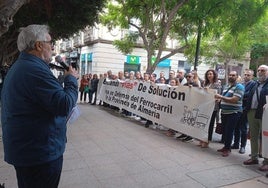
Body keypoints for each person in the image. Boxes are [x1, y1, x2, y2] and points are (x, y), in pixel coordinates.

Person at [1, 24, 79, 188]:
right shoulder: (33, 69)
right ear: (38, 45)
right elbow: (64, 104)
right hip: (39, 153)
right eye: (50, 42)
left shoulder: (25, 67)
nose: (52, 47)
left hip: (30, 150)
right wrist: (71, 79)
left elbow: (43, 96)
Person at [243, 65, 268, 171]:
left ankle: (266, 161)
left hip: (264, 113)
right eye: (259, 70)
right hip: (252, 112)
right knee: (253, 135)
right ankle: (254, 157)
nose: (260, 72)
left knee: (266, 137)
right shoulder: (255, 83)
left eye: (263, 70)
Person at [215, 71, 244, 157]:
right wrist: (219, 100)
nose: (231, 76)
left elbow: (234, 99)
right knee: (225, 130)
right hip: (224, 112)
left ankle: (227, 149)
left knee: (229, 131)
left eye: (233, 75)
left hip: (234, 112)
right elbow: (225, 98)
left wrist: (220, 97)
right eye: (230, 75)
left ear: (237, 76)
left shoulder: (239, 87)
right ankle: (226, 146)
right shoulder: (226, 86)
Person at [232, 69, 255, 154]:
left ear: (252, 76)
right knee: (236, 127)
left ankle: (243, 146)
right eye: (245, 75)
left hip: (245, 109)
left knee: (243, 128)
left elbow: (249, 94)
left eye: (248, 75)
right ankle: (236, 144)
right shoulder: (241, 84)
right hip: (237, 107)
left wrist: (239, 95)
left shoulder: (254, 84)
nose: (246, 76)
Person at [199, 69, 221, 148]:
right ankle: (202, 138)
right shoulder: (205, 84)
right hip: (205, 107)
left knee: (210, 124)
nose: (209, 75)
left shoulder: (217, 84)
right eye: (208, 74)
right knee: (204, 123)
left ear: (214, 75)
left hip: (213, 107)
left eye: (211, 74)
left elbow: (218, 96)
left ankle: (207, 140)